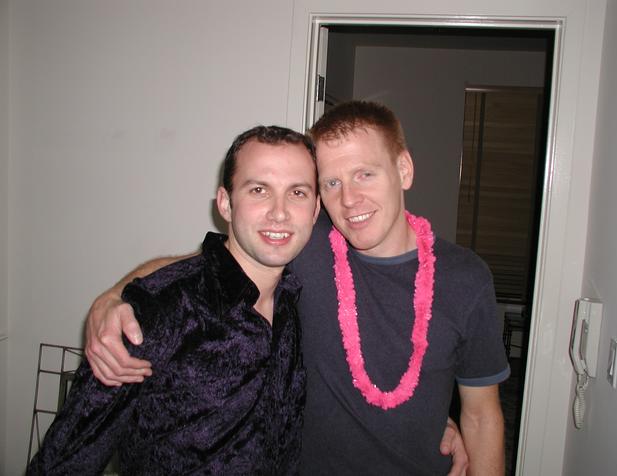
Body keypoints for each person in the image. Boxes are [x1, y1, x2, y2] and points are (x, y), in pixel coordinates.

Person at [86, 101, 507, 475]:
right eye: (332, 182)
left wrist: (435, 420)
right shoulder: (307, 245)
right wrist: (115, 297)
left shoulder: (466, 279)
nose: (350, 199)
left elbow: (482, 416)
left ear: (404, 170)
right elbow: (204, 264)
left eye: (364, 174)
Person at [27, 125, 322, 475]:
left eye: (297, 193)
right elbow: (65, 461)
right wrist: (112, 297)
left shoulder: (295, 301)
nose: (279, 212)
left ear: (315, 209)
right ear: (226, 203)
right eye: (259, 190)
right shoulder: (155, 312)